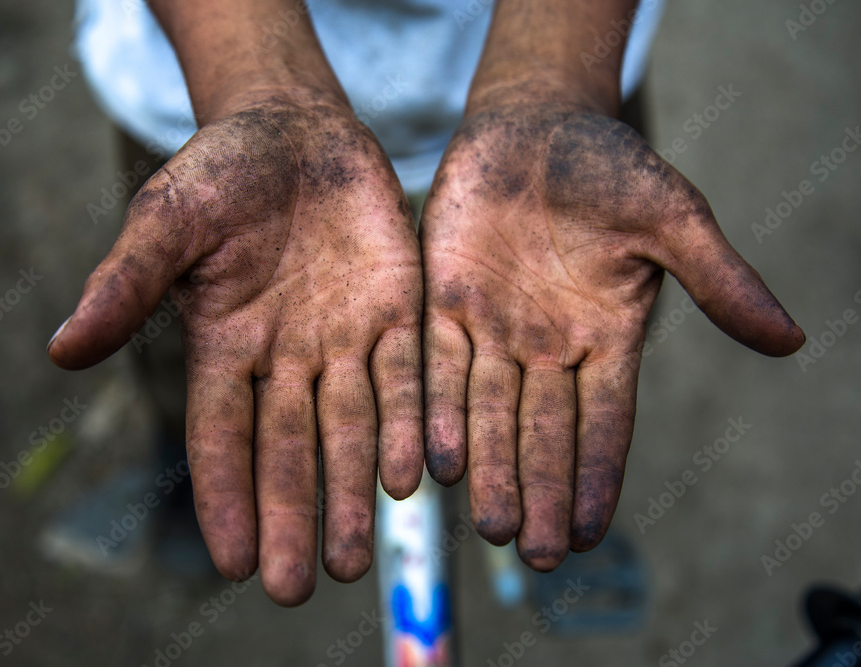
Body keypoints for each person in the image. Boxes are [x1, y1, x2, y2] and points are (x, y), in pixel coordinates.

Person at [48, 0, 805, 607]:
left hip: (566, 63)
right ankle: (180, 466)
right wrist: (262, 90)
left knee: (572, 334)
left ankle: (545, 491)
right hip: (209, 78)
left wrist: (546, 81)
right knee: (212, 333)